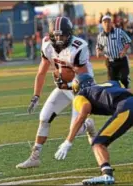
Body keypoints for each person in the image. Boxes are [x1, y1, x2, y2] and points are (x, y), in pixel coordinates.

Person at [16, 16, 97, 169]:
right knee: (44, 117)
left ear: (70, 34)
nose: (59, 39)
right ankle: (35, 157)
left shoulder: (78, 47)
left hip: (80, 89)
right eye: (56, 35)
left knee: (77, 129)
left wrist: (66, 77)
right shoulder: (47, 45)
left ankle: (87, 126)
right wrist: (36, 96)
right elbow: (41, 72)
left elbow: (83, 76)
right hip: (63, 88)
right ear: (52, 34)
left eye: (62, 35)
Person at [96, 15, 132, 88]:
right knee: (112, 83)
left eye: (108, 21)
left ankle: (127, 86)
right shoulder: (100, 36)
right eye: (105, 22)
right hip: (110, 62)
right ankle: (117, 96)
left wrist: (124, 51)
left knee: (124, 79)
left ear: (111, 23)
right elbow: (99, 47)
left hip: (121, 60)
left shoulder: (119, 32)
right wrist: (98, 52)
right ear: (102, 24)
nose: (107, 24)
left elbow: (128, 41)